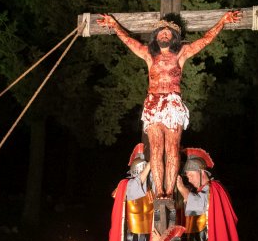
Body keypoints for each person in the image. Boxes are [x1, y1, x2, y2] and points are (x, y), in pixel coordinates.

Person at [96, 10, 241, 200]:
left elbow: (205, 40)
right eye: (161, 33)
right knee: (156, 150)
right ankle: (160, 194)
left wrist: (222, 21)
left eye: (168, 33)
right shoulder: (148, 55)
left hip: (172, 104)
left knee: (172, 149)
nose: (164, 35)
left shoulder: (181, 53)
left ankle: (169, 193)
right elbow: (129, 41)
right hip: (153, 104)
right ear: (156, 37)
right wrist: (114, 25)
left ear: (174, 37)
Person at [105, 142, 154, 241]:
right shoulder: (126, 186)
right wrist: (150, 164)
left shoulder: (150, 189)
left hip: (147, 238)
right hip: (131, 239)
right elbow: (135, 187)